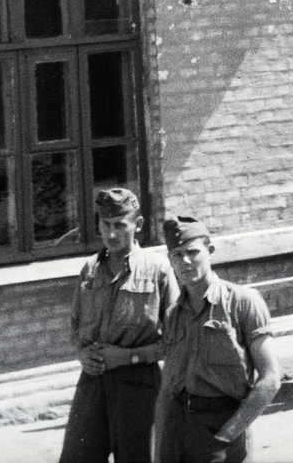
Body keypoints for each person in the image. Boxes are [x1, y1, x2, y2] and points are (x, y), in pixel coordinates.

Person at [60, 187, 178, 463]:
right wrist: (82, 353)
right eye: (105, 225)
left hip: (139, 385)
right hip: (92, 384)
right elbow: (75, 325)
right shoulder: (90, 269)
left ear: (137, 225)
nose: (111, 234)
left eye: (119, 225)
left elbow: (176, 340)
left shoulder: (158, 270)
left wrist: (127, 357)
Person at [156, 215, 282, 463]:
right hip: (177, 426)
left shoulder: (243, 302)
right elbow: (167, 390)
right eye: (177, 255)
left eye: (193, 252)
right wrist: (160, 447)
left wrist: (227, 435)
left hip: (221, 425)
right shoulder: (173, 314)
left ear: (210, 251)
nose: (186, 261)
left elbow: (271, 379)